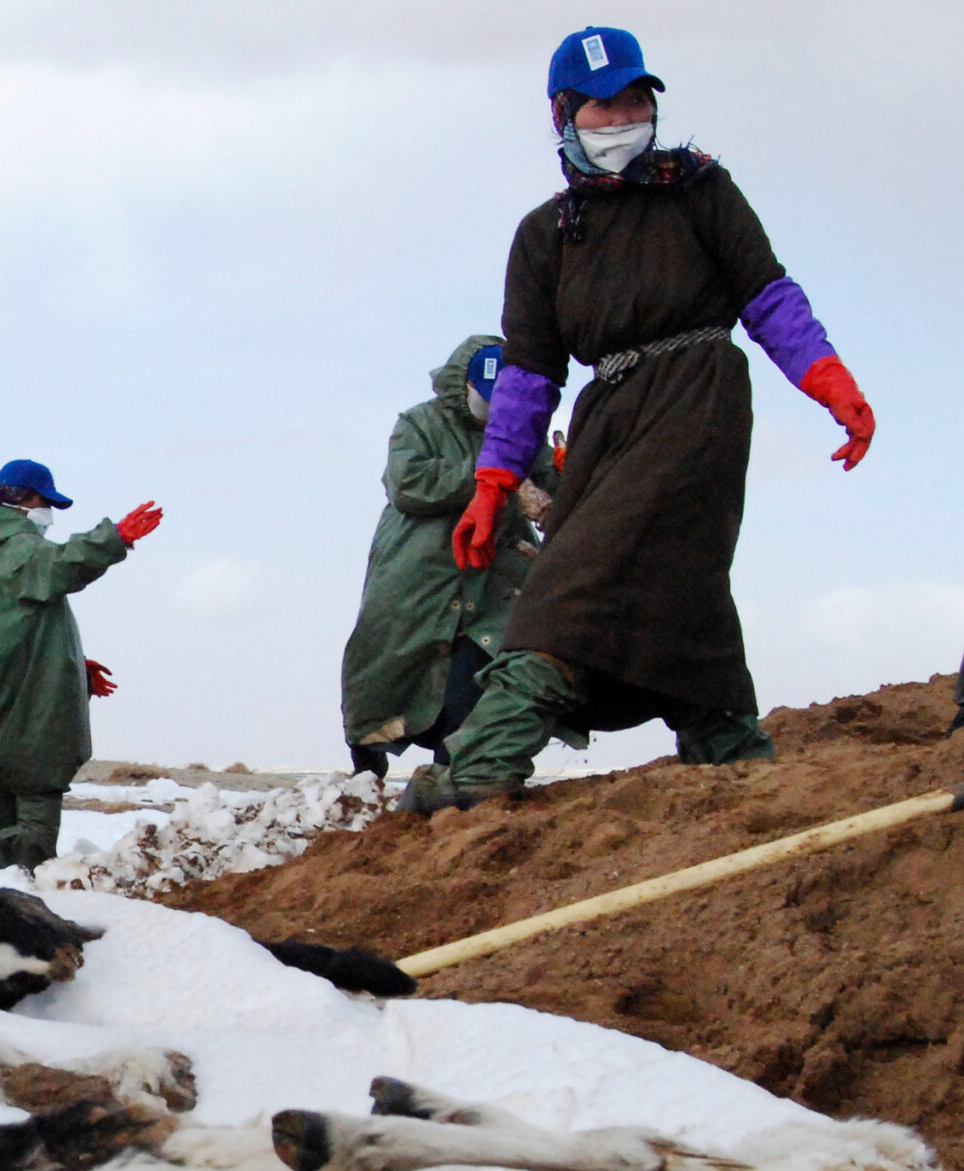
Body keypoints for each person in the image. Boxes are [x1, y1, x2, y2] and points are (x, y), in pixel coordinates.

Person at [402, 28, 875, 813]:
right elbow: (529, 371)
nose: (620, 117)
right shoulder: (545, 235)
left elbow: (768, 296)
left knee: (576, 583)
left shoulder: (701, 192)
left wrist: (829, 380)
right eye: (601, 105)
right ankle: (722, 735)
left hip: (699, 397)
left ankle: (484, 763)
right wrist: (493, 481)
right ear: (562, 115)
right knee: (670, 580)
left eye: (632, 100)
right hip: (607, 419)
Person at [0, 459, 161, 874]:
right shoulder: (18, 548)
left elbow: (3, 629)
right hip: (9, 705)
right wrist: (116, 538)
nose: (47, 513)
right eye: (43, 501)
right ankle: (24, 901)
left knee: (0, 807)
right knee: (35, 801)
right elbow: (61, 564)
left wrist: (67, 664)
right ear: (21, 499)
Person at [341, 337, 549, 777]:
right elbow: (407, 481)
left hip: (494, 581)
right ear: (465, 385)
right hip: (419, 573)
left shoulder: (523, 430)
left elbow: (554, 479)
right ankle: (364, 777)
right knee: (384, 671)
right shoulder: (419, 423)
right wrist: (493, 477)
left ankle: (456, 783)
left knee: (478, 684)